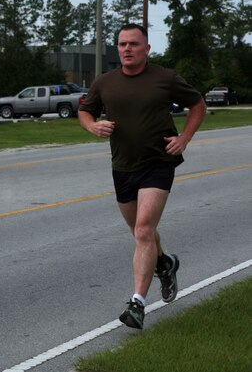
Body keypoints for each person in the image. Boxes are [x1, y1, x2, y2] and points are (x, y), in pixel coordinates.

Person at [78, 23, 206, 330]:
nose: (127, 49)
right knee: (140, 232)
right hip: (122, 166)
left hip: (158, 162)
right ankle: (165, 263)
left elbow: (198, 104)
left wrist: (184, 138)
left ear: (147, 49)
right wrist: (92, 126)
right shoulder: (105, 82)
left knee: (145, 229)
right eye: (122, 44)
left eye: (134, 44)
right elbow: (85, 111)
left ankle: (137, 302)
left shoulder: (165, 78)